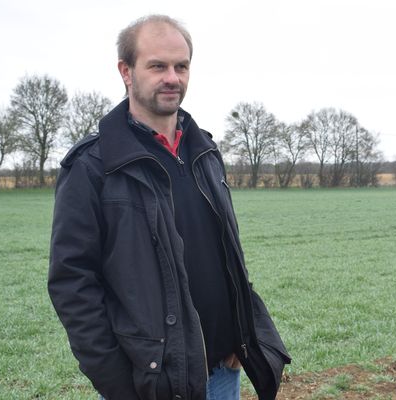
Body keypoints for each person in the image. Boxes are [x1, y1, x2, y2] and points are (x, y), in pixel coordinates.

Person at [48, 14, 290, 400]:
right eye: (157, 66)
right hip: (152, 385)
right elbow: (72, 283)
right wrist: (118, 384)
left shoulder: (205, 152)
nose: (172, 78)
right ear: (126, 72)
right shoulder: (93, 166)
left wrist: (240, 333)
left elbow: (228, 256)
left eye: (181, 66)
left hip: (221, 372)